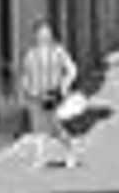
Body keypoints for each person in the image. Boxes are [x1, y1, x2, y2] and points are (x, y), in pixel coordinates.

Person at [19, 21, 78, 168]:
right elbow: (25, 75)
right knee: (38, 128)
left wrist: (64, 86)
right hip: (36, 96)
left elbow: (72, 69)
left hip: (53, 95)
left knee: (55, 127)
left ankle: (70, 150)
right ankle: (40, 158)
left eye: (48, 32)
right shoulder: (31, 54)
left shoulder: (58, 51)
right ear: (36, 36)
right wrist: (27, 90)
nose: (45, 36)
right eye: (42, 33)